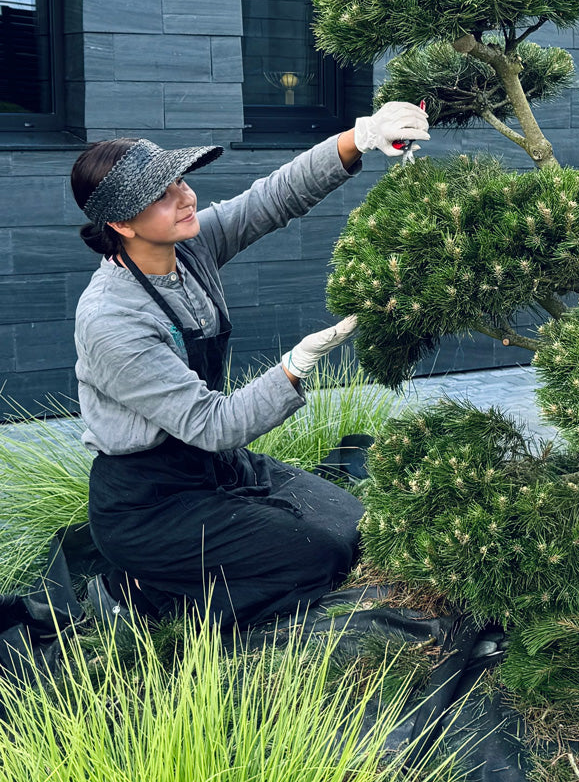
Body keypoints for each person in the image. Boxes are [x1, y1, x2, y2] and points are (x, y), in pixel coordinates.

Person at [70, 102, 430, 629]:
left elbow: (271, 199)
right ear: (122, 223)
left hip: (215, 467)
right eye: (162, 195)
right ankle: (143, 596)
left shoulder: (187, 250)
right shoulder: (112, 319)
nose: (186, 197)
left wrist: (361, 136)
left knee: (352, 529)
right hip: (150, 501)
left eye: (180, 183)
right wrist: (295, 367)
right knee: (315, 557)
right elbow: (213, 424)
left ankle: (207, 560)